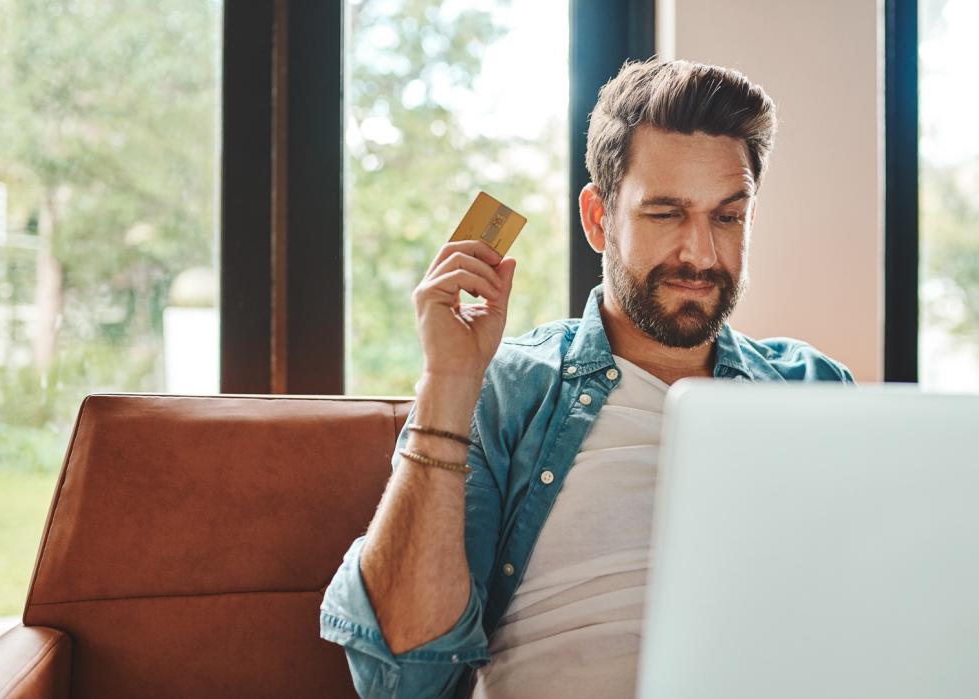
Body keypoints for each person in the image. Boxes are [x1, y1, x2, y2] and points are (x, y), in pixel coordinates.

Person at [320, 58, 854, 698]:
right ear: (599, 219)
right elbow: (402, 677)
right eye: (665, 213)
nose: (701, 254)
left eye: (727, 217)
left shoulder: (813, 389)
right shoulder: (514, 388)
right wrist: (448, 378)